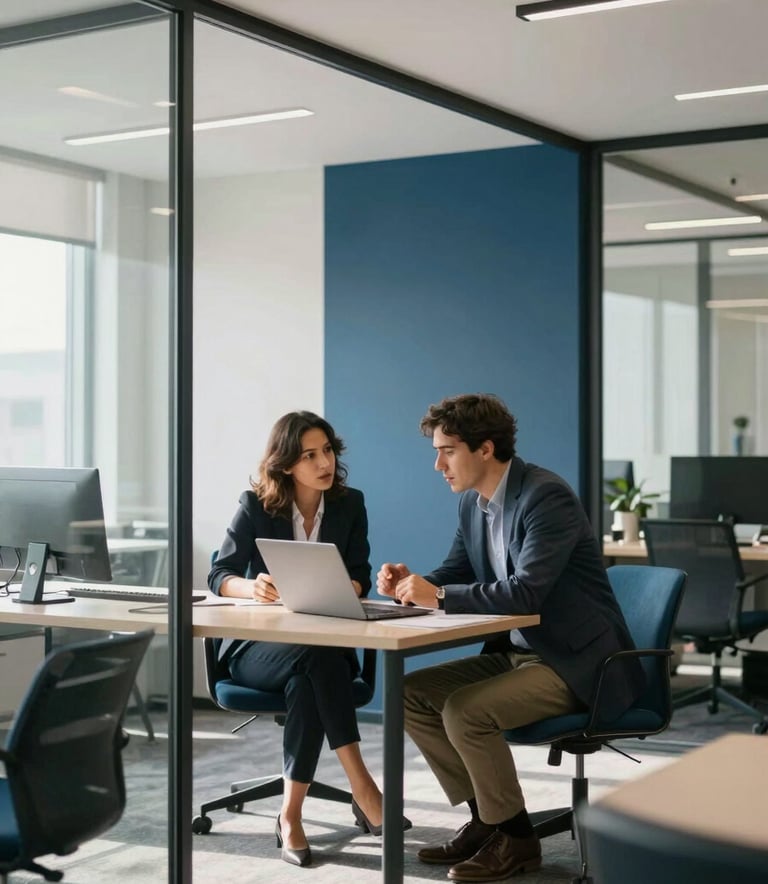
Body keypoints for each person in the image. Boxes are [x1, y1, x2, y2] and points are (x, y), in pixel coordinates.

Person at [377, 393, 644, 883]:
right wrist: (408, 585)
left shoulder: (546, 497)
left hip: (574, 662)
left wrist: (436, 595)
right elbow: (455, 575)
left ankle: (518, 840)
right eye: (436, 451)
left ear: (485, 449)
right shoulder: (472, 507)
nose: (438, 464)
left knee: (465, 710)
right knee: (411, 694)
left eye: (448, 450)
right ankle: (488, 820)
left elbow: (527, 592)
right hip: (518, 654)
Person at [209, 410, 398, 868]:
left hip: (318, 651)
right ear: (287, 463)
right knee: (319, 659)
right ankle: (363, 786)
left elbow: (359, 577)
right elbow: (219, 574)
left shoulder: (350, 504)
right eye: (309, 455)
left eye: (327, 451)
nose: (323, 462)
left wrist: (341, 587)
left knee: (308, 678)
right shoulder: (256, 504)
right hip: (257, 652)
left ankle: (289, 815)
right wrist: (250, 587)